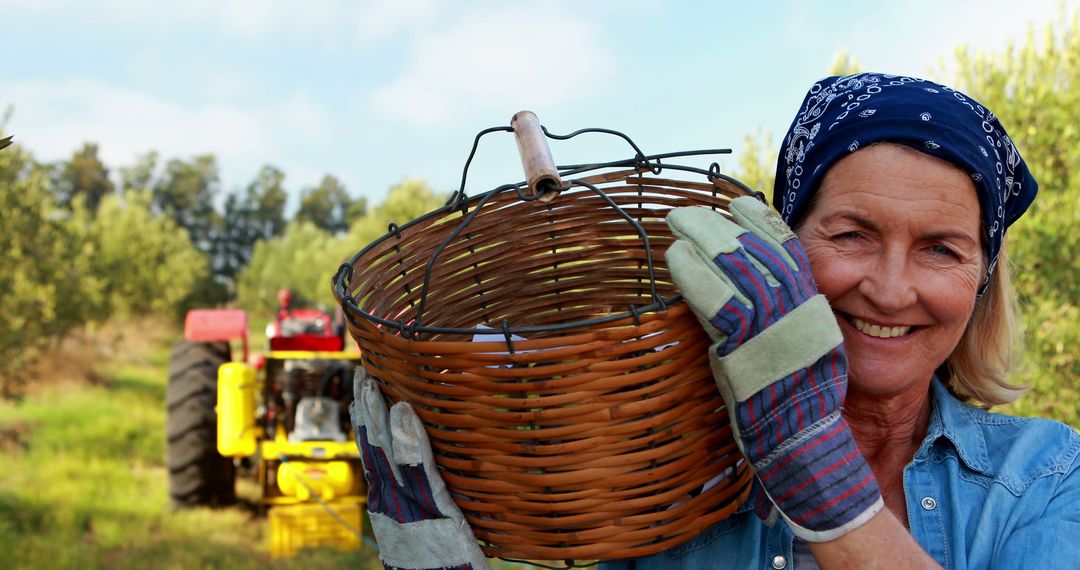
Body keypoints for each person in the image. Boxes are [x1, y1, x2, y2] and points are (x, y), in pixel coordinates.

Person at [348, 72, 1080, 569]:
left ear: (982, 281)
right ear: (781, 247)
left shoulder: (1047, 476)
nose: (890, 290)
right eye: (851, 234)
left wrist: (822, 480)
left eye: (940, 249)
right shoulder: (664, 484)